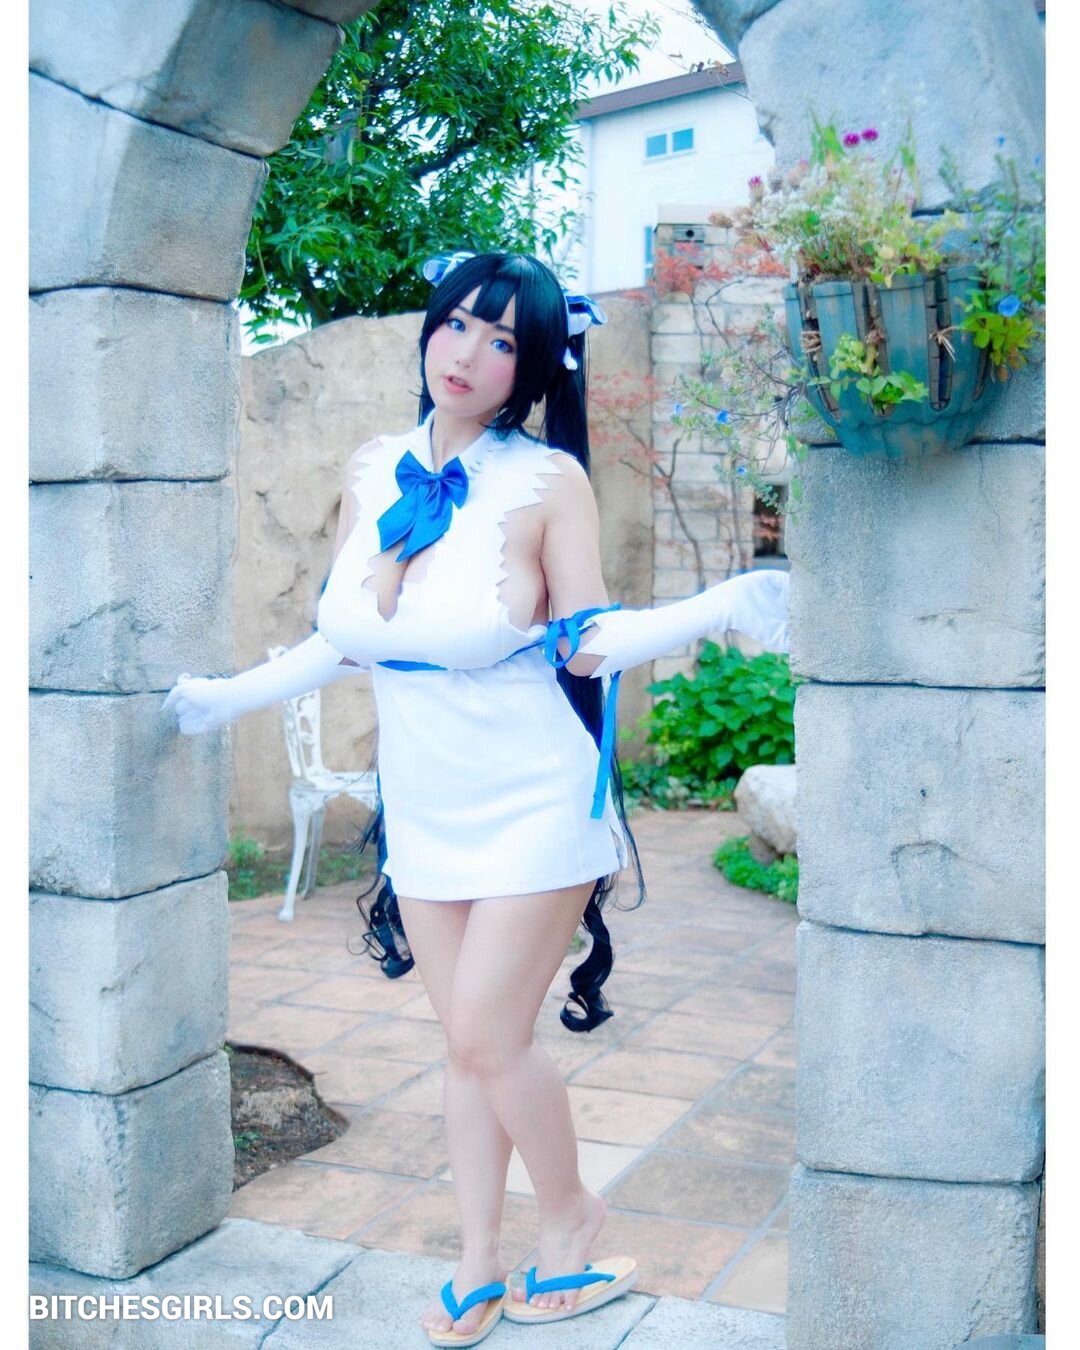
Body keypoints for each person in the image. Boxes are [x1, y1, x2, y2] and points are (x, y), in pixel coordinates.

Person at [164, 251, 789, 1348]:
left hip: (534, 798)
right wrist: (222, 701)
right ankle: (477, 1259)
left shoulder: (549, 482)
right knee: (464, 1045)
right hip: (427, 804)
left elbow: (587, 641)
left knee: (492, 1038)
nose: (467, 353)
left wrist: (721, 605)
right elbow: (342, 639)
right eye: (457, 324)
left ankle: (572, 1215)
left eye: (503, 341)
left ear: (533, 367)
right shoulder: (375, 468)